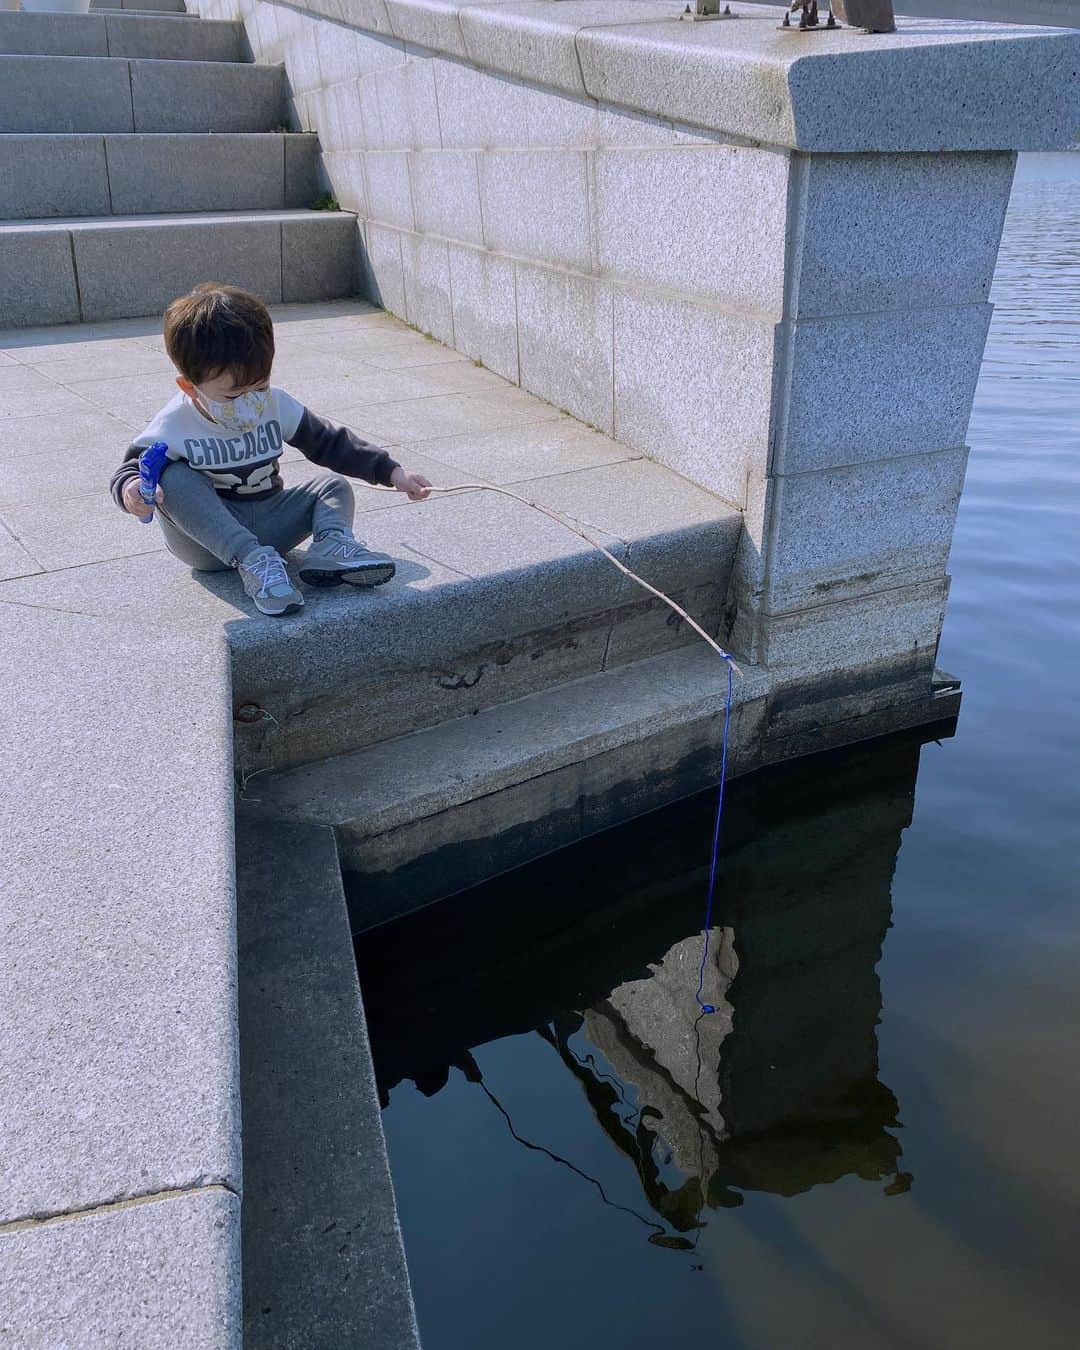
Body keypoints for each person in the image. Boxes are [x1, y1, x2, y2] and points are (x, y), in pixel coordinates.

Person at [109, 282, 432, 616]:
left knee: (333, 487)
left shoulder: (276, 405)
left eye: (259, 387)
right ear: (190, 387)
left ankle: (330, 546)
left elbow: (330, 442)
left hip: (272, 522)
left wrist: (394, 473)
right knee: (173, 476)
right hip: (210, 543)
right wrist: (133, 492)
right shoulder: (175, 423)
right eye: (232, 396)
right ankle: (253, 562)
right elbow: (129, 470)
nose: (250, 403)